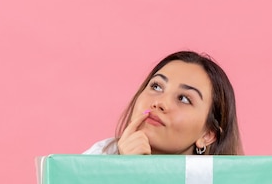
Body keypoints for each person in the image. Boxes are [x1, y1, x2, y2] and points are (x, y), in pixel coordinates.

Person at [84, 51, 243, 155]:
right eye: (156, 86)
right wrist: (122, 170)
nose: (159, 103)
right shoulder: (97, 158)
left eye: (184, 99)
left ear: (208, 135)